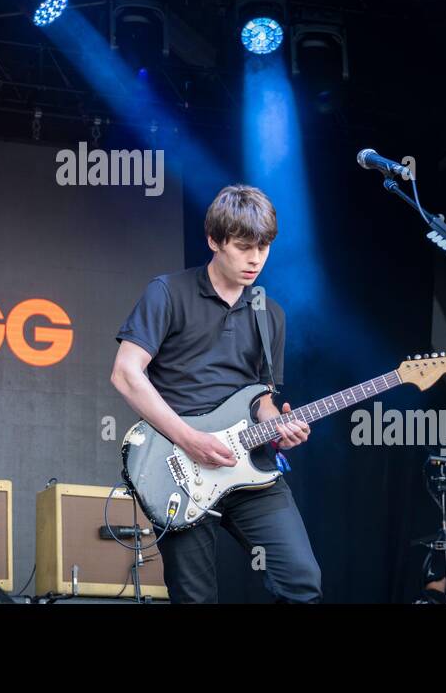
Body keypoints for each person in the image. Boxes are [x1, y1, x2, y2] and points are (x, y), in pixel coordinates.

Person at [110, 184, 322, 603]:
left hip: (251, 468)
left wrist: (278, 427)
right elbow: (125, 374)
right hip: (179, 468)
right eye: (244, 247)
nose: (255, 259)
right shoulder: (168, 292)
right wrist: (189, 439)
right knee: (196, 598)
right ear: (213, 240)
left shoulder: (270, 314)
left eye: (263, 247)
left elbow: (261, 397)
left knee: (301, 581)